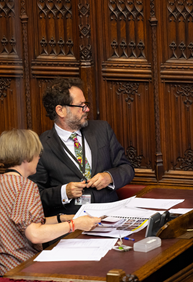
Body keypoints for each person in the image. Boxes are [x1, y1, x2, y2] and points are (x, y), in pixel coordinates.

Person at [0, 129, 101, 276]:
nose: (39, 158)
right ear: (27, 156)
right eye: (37, 153)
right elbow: (34, 234)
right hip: (21, 268)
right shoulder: (26, 186)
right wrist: (75, 225)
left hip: (0, 267)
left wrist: (62, 218)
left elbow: (18, 223)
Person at [29, 77, 135, 216]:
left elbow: (127, 168)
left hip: (109, 215)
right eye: (81, 105)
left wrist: (109, 177)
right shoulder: (40, 146)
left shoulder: (101, 130)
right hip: (71, 223)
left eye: (86, 104)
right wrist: (63, 192)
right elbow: (35, 196)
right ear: (61, 110)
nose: (87, 109)